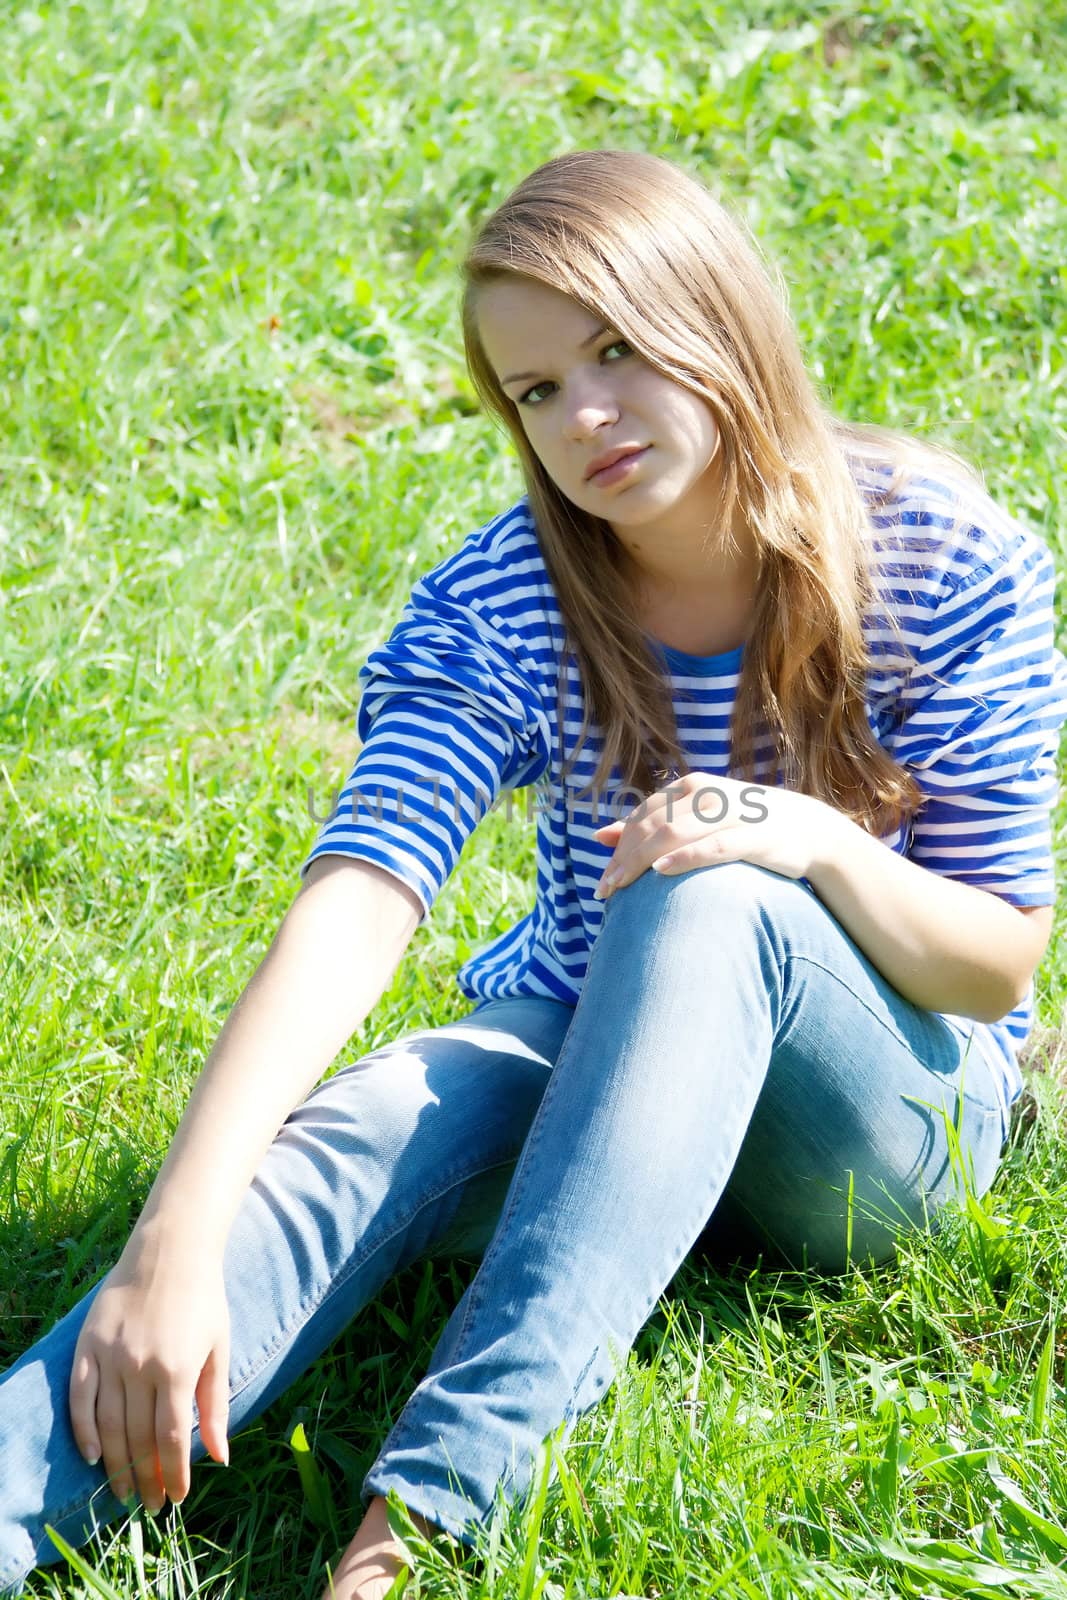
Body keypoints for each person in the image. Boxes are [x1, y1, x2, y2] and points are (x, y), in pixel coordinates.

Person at [2, 146, 1065, 1600]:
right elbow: (363, 894)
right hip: (591, 1040)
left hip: (884, 1111)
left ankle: (423, 1529)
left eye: (618, 350)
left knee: (709, 885)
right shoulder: (509, 595)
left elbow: (996, 959)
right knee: (368, 1123)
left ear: (722, 319)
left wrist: (799, 836)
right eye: (537, 391)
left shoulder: (939, 555)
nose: (587, 418)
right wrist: (170, 1236)